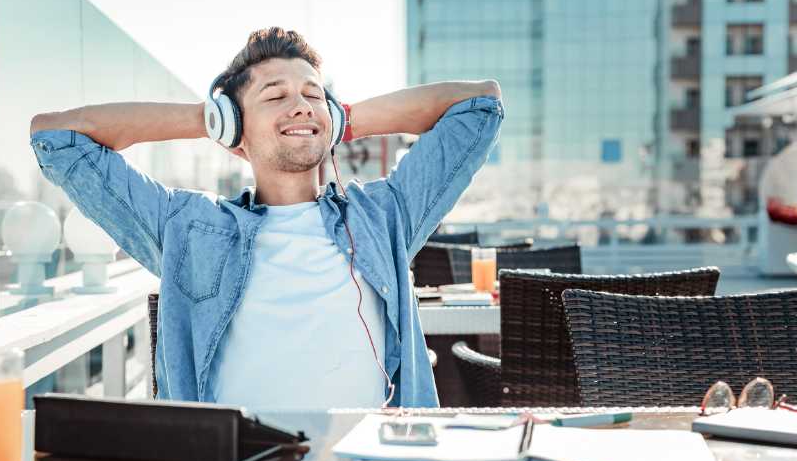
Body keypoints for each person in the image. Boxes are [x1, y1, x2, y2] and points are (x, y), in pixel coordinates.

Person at [30, 27, 503, 409]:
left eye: (314, 95)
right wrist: (206, 118)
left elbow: (480, 106)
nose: (300, 105)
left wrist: (343, 119)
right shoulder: (187, 227)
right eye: (275, 97)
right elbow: (57, 137)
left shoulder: (385, 215)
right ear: (235, 129)